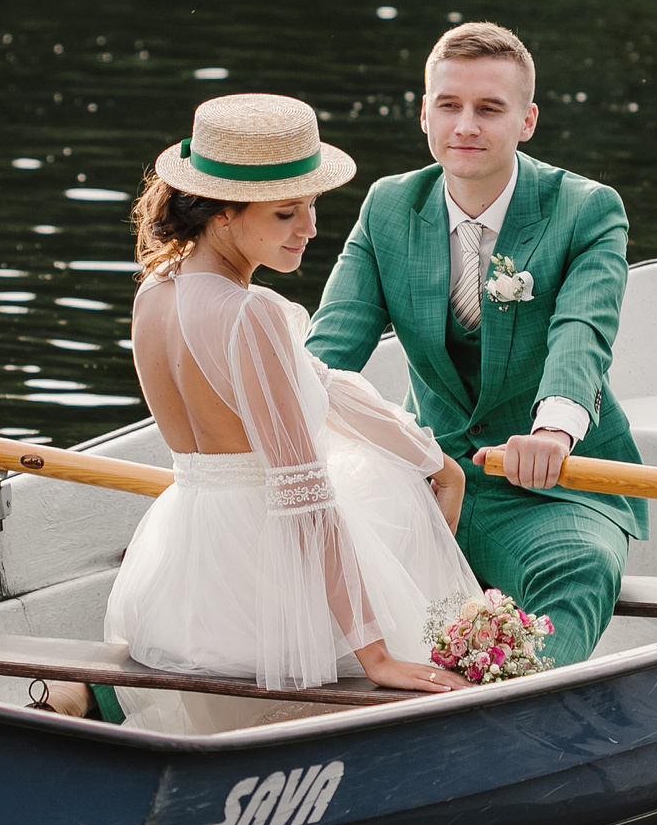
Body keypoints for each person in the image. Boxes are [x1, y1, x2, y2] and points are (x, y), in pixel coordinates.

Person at [38, 93, 478, 727]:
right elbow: (304, 495)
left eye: (311, 206)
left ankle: (88, 698)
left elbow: (321, 386)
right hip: (263, 566)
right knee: (381, 496)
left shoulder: (155, 292)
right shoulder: (250, 315)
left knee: (389, 468)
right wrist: (376, 653)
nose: (310, 228)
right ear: (221, 214)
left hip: (183, 556)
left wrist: (435, 458)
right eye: (285, 213)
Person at [305, 22, 645, 667]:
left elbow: (583, 332)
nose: (465, 125)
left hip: (555, 482)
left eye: (489, 109)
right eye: (448, 105)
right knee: (303, 547)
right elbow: (331, 348)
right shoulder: (388, 206)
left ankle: (514, 721)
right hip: (427, 474)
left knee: (580, 570)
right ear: (424, 113)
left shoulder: (587, 210)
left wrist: (552, 434)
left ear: (527, 121)